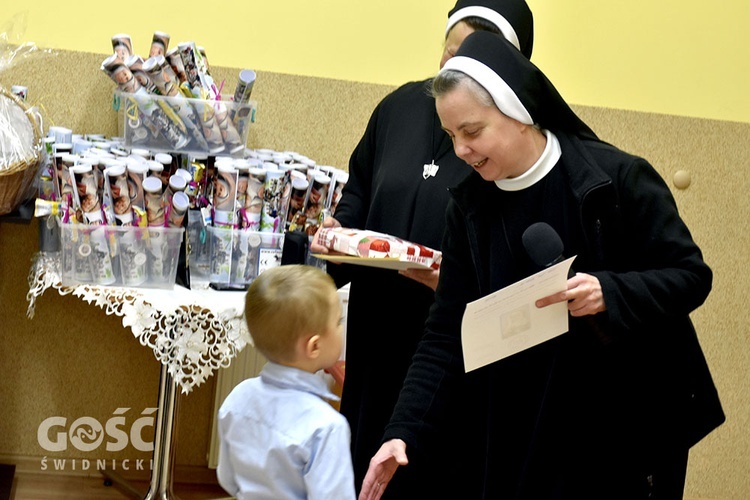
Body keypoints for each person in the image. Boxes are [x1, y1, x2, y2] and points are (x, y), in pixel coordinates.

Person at [360, 31, 725, 500]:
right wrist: (402, 429)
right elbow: (449, 331)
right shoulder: (470, 206)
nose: (461, 151)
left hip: (619, 422)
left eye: (472, 132)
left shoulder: (615, 180)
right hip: (520, 421)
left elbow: (691, 277)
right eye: (451, 137)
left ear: (519, 113)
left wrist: (609, 293)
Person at [310, 1, 534, 497]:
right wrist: (339, 232)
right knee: (365, 458)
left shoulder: (512, 139)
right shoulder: (398, 107)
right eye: (447, 52)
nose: (449, 69)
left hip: (449, 337)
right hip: (377, 324)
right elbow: (361, 188)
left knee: (429, 469)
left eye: (467, 58)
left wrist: (449, 278)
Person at [216, 264, 355, 500]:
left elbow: (227, 478)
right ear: (314, 346)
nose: (341, 327)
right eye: (338, 321)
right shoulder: (326, 426)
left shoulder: (237, 398)